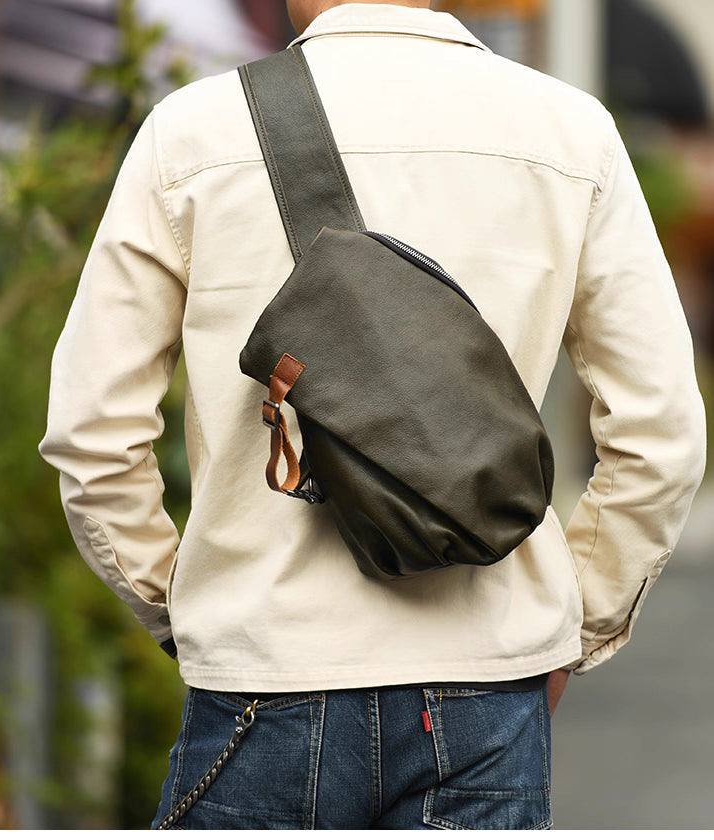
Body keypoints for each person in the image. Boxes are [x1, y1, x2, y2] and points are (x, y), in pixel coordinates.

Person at [39, 0, 706, 830]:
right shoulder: (572, 134)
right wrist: (573, 624)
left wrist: (190, 612)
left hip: (261, 678)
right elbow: (662, 432)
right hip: (487, 691)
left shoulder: (192, 135)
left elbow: (90, 433)